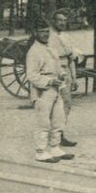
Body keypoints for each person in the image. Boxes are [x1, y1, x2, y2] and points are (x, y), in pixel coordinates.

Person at [25, 20, 74, 163]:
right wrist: (50, 81)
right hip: (43, 91)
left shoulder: (50, 48)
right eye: (42, 31)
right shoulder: (34, 52)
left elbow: (58, 66)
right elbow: (32, 75)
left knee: (58, 120)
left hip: (56, 88)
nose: (45, 34)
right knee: (43, 122)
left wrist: (62, 74)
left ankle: (55, 147)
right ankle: (40, 151)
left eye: (47, 31)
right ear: (35, 33)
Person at [48, 9, 80, 147]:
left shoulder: (66, 37)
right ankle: (51, 134)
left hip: (66, 70)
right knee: (52, 103)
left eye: (64, 21)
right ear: (54, 21)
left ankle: (60, 133)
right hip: (53, 71)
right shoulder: (48, 36)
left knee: (66, 103)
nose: (62, 23)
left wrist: (74, 77)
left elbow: (71, 58)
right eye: (59, 20)